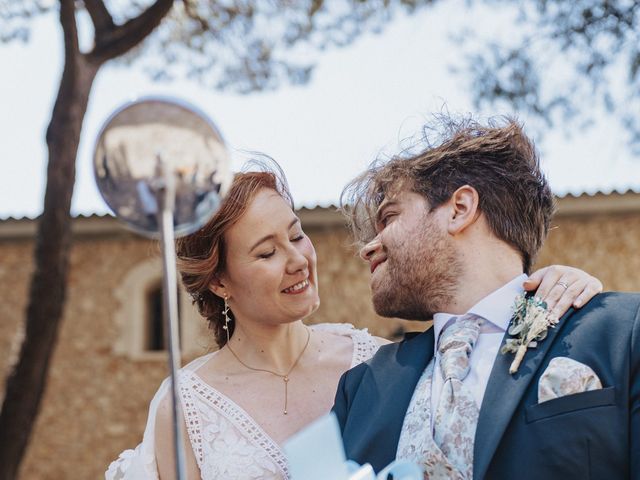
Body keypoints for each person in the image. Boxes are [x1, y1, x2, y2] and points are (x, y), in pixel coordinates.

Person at [105, 161, 601, 480]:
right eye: (266, 252)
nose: (298, 259)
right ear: (220, 283)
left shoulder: (378, 365)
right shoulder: (184, 404)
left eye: (296, 236)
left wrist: (550, 284)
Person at [333, 117, 639, 480]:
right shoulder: (361, 387)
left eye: (390, 217)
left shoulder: (623, 332)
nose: (369, 247)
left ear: (460, 209)